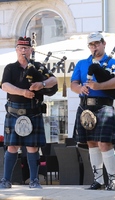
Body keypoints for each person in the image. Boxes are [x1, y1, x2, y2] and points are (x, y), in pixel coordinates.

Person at [0, 36, 58, 189]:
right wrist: (23, 92)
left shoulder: (38, 67)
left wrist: (41, 84)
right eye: (20, 47)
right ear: (16, 50)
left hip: (33, 111)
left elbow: (54, 80)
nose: (23, 50)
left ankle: (34, 180)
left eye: (26, 48)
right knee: (12, 146)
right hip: (14, 112)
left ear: (31, 50)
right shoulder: (10, 68)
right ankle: (6, 180)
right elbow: (5, 86)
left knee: (32, 147)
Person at [71, 32, 115, 191]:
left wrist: (99, 86)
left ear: (103, 44)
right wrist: (80, 88)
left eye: (96, 44)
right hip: (85, 107)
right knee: (91, 143)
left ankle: (113, 182)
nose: (94, 47)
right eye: (91, 45)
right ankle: (98, 180)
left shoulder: (113, 62)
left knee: (105, 143)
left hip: (104, 106)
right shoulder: (82, 63)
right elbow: (73, 84)